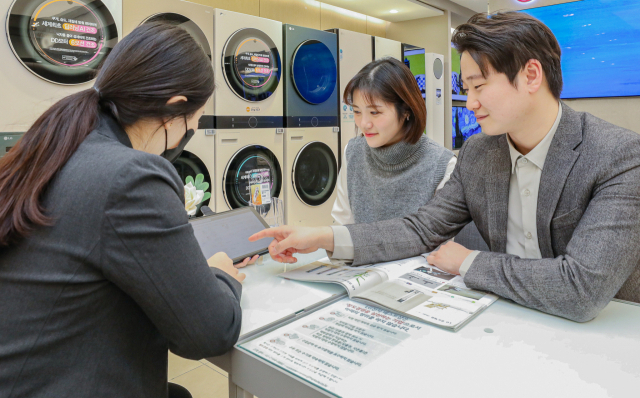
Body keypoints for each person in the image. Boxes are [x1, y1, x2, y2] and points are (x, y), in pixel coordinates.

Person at [250, 11, 640, 322]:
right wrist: (322, 237)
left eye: (479, 86)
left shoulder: (617, 156)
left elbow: (581, 290)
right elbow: (421, 228)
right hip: (507, 318)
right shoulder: (479, 153)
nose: (469, 103)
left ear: (531, 75)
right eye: (466, 88)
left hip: (605, 333)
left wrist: (468, 261)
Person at [0, 23, 256, 397]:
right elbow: (209, 333)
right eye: (192, 124)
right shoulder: (131, 176)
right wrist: (219, 274)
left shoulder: (54, 147)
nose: (186, 138)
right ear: (176, 106)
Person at [332, 58, 456, 225]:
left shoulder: (443, 165)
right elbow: (342, 228)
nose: (364, 124)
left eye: (375, 112)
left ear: (406, 111)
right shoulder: (353, 152)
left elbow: (438, 243)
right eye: (357, 111)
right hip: (357, 252)